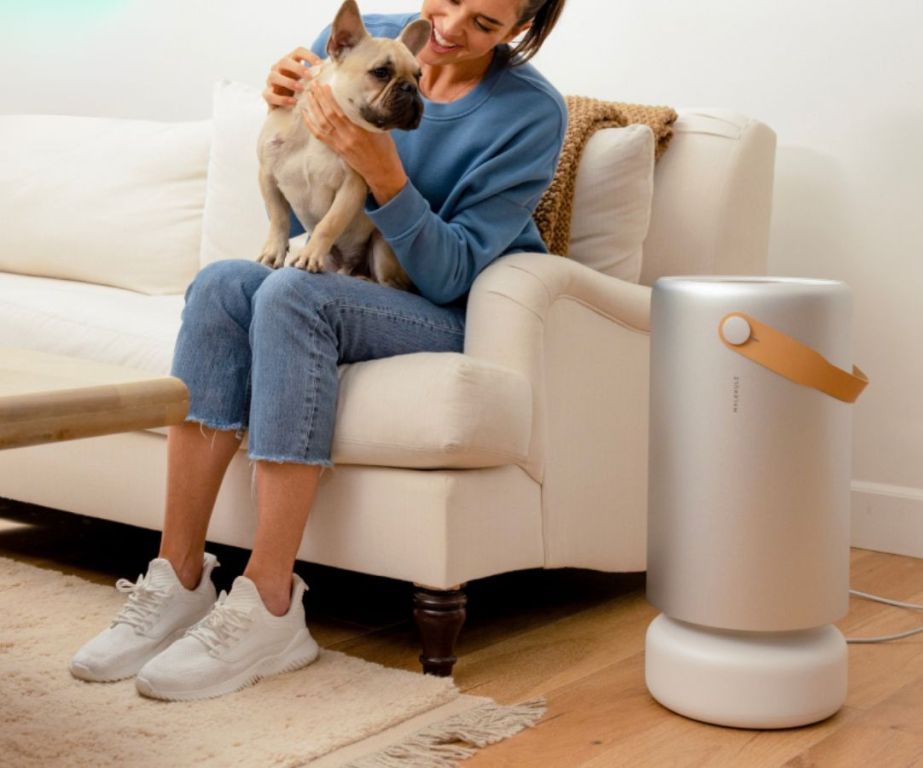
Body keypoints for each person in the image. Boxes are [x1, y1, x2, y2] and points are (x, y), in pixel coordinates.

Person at [69, 0, 567, 701]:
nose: (452, 29)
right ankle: (176, 579)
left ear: (520, 28)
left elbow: (454, 274)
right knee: (220, 285)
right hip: (344, 274)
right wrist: (281, 103)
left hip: (446, 310)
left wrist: (385, 173)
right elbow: (305, 190)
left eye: (484, 23)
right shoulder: (367, 42)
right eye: (446, 2)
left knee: (290, 296)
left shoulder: (531, 114)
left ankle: (270, 604)